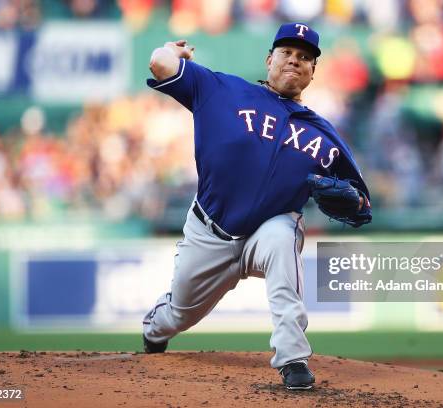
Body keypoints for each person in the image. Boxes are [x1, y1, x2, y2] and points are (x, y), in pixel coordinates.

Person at [142, 22, 372, 390]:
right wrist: (172, 50)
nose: (294, 61)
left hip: (267, 234)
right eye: (286, 53)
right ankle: (154, 330)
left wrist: (354, 203)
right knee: (176, 316)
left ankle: (293, 359)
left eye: (305, 58)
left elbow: (362, 204)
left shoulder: (325, 136)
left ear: (313, 72)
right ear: (269, 60)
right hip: (209, 232)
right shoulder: (222, 89)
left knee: (283, 235)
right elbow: (158, 64)